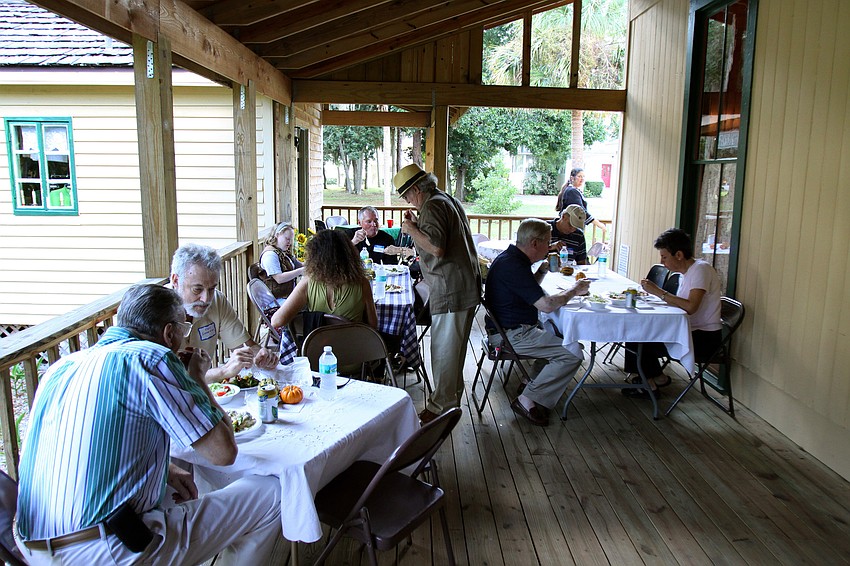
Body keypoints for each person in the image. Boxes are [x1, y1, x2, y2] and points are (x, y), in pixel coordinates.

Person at [15, 284, 283, 565]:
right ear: (169, 333)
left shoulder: (60, 369)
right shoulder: (152, 358)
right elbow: (223, 453)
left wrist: (165, 468)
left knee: (172, 495)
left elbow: (75, 447)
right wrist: (197, 378)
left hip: (32, 548)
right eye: (184, 328)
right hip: (102, 550)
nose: (184, 335)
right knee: (271, 493)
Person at [394, 163, 480, 424]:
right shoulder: (445, 199)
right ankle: (449, 403)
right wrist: (418, 224)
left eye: (407, 195)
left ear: (417, 189)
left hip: (450, 288)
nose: (408, 201)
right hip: (464, 286)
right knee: (453, 351)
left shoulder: (432, 205)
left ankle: (439, 409)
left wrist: (411, 230)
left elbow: (436, 247)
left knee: (443, 351)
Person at [485, 219, 591, 426]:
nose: (549, 246)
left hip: (511, 329)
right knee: (572, 353)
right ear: (535, 243)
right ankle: (527, 400)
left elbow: (526, 290)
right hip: (511, 335)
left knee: (559, 336)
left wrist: (542, 271)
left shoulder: (512, 259)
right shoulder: (513, 266)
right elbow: (546, 305)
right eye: (548, 242)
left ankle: (529, 384)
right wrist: (574, 290)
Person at [622, 228, 723, 398]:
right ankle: (656, 377)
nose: (662, 262)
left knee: (639, 336)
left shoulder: (701, 270)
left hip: (704, 338)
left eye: (664, 257)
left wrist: (659, 292)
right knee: (636, 330)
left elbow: (690, 307)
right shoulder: (685, 273)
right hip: (688, 330)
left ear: (678, 255)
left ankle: (649, 386)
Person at [170, 244, 277, 383]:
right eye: (197, 289)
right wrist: (223, 371)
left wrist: (261, 354)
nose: (206, 299)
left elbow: (246, 345)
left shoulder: (217, 300)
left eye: (211, 289)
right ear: (175, 281)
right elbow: (169, 380)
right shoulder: (155, 311)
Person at [270, 228, 378, 330]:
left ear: (315, 256)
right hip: (353, 348)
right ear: (349, 255)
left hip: (317, 347)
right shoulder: (362, 283)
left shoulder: (308, 282)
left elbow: (276, 321)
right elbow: (373, 326)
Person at [259, 221, 304, 303]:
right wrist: (301, 271)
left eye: (291, 240)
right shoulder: (270, 255)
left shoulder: (283, 252)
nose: (289, 243)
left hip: (288, 296)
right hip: (277, 301)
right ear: (277, 235)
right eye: (287, 239)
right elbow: (279, 278)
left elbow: (300, 265)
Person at [554, 167, 608, 237]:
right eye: (579, 176)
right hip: (570, 227)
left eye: (583, 177)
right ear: (572, 178)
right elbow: (581, 211)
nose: (582, 179)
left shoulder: (572, 190)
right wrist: (599, 224)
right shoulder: (572, 191)